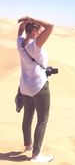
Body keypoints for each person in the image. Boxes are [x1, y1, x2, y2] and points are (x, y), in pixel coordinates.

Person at [17, 16, 54, 163]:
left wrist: (24, 25)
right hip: (39, 87)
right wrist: (29, 18)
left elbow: (20, 32)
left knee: (28, 117)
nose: (41, 32)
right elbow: (50, 26)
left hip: (25, 87)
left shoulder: (20, 43)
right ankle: (36, 155)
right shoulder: (35, 45)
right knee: (42, 120)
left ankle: (28, 145)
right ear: (34, 31)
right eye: (39, 30)